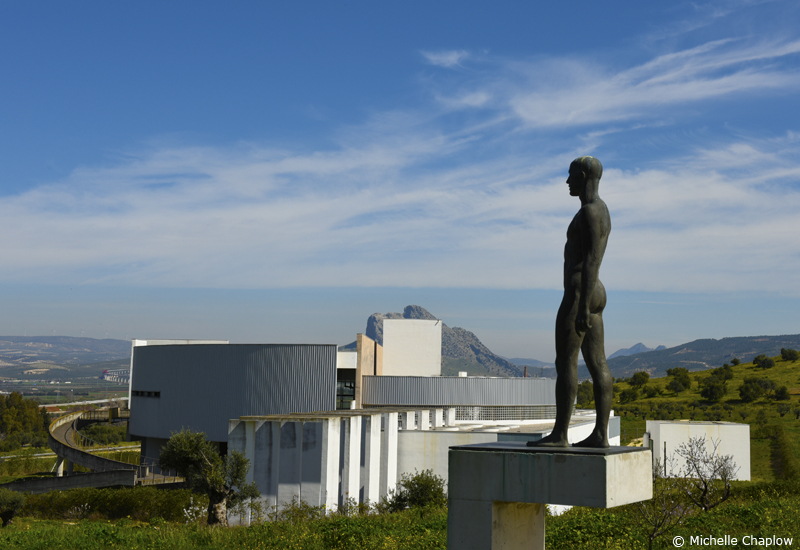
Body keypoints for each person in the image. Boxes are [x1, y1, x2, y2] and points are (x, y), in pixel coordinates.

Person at [528, 156, 612, 448]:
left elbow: (590, 260)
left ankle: (560, 435)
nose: (567, 182)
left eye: (571, 175)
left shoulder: (590, 212)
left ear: (584, 174)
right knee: (598, 362)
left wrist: (582, 305)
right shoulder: (601, 210)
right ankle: (601, 434)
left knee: (566, 362)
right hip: (594, 292)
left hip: (580, 292)